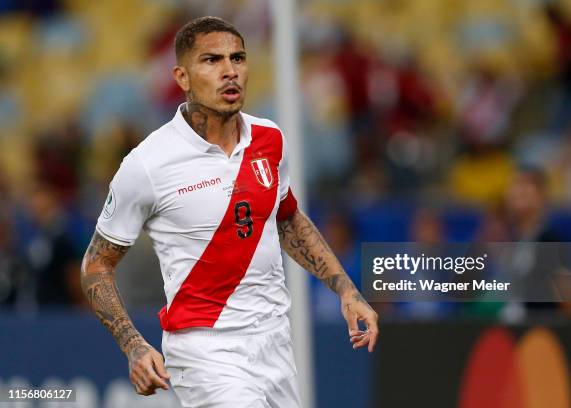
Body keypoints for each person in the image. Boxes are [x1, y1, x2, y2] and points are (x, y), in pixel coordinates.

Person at [80, 16, 378, 408]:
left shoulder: (270, 139)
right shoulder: (148, 164)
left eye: (238, 58)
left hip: (275, 343)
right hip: (205, 352)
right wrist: (132, 343)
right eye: (212, 60)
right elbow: (96, 265)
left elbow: (287, 218)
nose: (229, 71)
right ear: (182, 76)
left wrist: (346, 289)